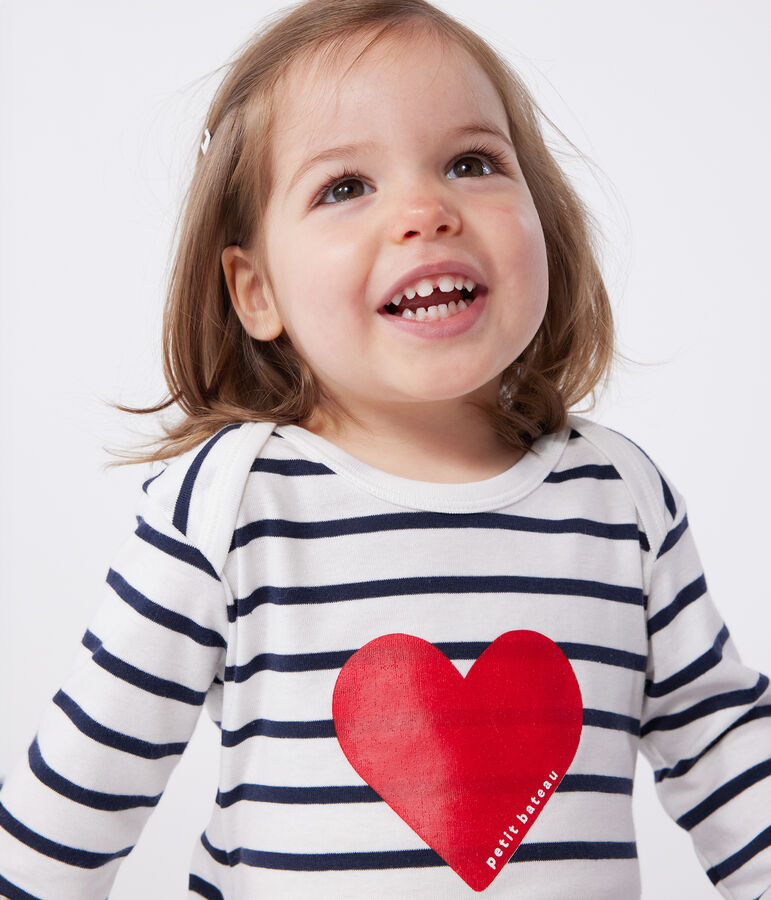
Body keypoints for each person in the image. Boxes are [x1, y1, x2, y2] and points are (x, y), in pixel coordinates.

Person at [0, 0, 769, 896]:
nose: (423, 210)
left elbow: (723, 744)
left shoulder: (616, 496)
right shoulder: (234, 501)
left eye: (470, 162)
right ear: (256, 291)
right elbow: (76, 799)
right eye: (344, 187)